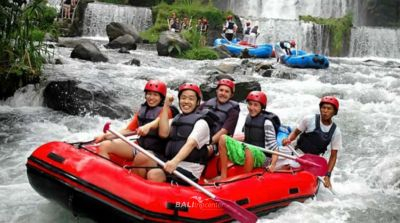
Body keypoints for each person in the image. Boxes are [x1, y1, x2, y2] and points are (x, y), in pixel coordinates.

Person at [95, 80, 173, 177]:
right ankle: (107, 176)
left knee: (141, 158)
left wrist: (147, 127)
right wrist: (106, 136)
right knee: (104, 145)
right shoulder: (143, 109)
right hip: (139, 146)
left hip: (154, 153)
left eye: (155, 95)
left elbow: (158, 122)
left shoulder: (166, 111)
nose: (151, 98)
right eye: (149, 94)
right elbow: (128, 130)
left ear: (162, 97)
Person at [146, 83, 213, 184]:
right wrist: (166, 105)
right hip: (171, 162)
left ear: (198, 102)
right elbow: (163, 133)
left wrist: (174, 162)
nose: (186, 101)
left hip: (189, 170)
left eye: (191, 99)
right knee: (143, 157)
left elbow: (190, 144)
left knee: (154, 174)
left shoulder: (202, 123)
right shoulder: (176, 119)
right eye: (183, 98)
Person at [217, 91, 281, 179]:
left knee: (249, 149)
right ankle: (223, 176)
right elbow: (245, 137)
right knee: (223, 138)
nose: (251, 108)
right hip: (248, 150)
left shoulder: (267, 122)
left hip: (264, 158)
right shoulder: (248, 117)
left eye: (255, 105)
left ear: (261, 107)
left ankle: (244, 179)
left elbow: (274, 148)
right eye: (250, 104)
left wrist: (273, 165)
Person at [282, 96, 342, 189]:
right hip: (298, 153)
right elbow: (295, 133)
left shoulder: (336, 132)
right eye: (323, 108)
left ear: (334, 112)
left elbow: (333, 156)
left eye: (329, 109)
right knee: (284, 168)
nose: (325, 111)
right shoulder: (309, 119)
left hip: (313, 160)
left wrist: (328, 175)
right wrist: (288, 139)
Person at [198, 79, 240, 157]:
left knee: (201, 152)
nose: (223, 93)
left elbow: (223, 131)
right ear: (217, 91)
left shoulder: (233, 111)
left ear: (231, 95)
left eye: (227, 91)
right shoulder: (206, 104)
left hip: (215, 143)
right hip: (199, 137)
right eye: (221, 90)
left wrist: (207, 143)